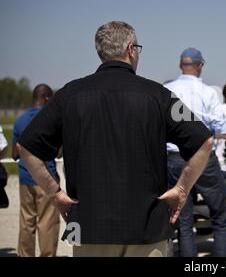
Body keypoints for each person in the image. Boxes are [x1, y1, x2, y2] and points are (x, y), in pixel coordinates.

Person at [17, 21, 213, 257]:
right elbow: (204, 141)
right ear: (131, 50)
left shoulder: (70, 94)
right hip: (147, 229)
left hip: (90, 229)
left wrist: (55, 193)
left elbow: (26, 147)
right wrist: (182, 189)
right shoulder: (159, 95)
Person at [165, 47, 226, 257]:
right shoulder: (207, 92)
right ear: (200, 66)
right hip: (203, 159)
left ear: (180, 65)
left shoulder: (166, 90)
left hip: (174, 159)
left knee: (183, 221)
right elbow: (222, 130)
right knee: (220, 218)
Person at [12, 85, 60, 257]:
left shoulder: (19, 121)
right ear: (47, 98)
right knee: (47, 222)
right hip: (46, 178)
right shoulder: (49, 119)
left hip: (25, 177)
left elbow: (14, 154)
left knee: (26, 221)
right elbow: (59, 151)